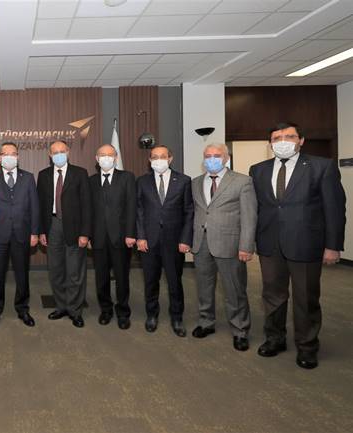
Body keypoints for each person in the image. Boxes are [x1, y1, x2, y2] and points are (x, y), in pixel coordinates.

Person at [249, 122, 346, 369]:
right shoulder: (258, 170)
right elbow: (256, 208)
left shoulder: (321, 166)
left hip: (306, 243)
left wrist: (333, 245)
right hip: (270, 244)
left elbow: (334, 208)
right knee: (272, 295)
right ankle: (275, 339)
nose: (283, 141)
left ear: (301, 140)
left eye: (289, 136)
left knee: (306, 298)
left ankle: (307, 346)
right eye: (277, 138)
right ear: (270, 143)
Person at [190, 143, 257, 351]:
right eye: (207, 155)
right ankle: (206, 322)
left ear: (226, 158)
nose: (211, 159)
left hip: (230, 244)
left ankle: (240, 330)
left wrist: (246, 246)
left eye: (216, 155)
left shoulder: (242, 181)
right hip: (201, 243)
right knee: (204, 287)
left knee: (234, 289)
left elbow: (249, 217)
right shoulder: (195, 182)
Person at [0, 142, 40, 329]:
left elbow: (35, 207)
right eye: (5, 154)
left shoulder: (28, 178)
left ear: (18, 156)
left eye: (13, 154)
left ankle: (22, 309)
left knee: (22, 274)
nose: (9, 157)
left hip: (22, 234)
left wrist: (34, 232)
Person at [136, 145, 193, 337]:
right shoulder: (142, 181)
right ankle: (152, 315)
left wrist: (185, 239)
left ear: (170, 158)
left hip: (174, 241)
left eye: (162, 156)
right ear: (149, 160)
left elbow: (189, 212)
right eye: (154, 157)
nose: (158, 160)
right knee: (150, 281)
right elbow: (139, 211)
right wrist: (141, 236)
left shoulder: (184, 181)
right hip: (149, 241)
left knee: (175, 282)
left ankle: (177, 317)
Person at [37, 140, 92, 328]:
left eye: (62, 151)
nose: (59, 154)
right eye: (55, 152)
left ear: (68, 152)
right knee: (56, 270)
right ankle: (61, 306)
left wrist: (85, 233)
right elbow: (40, 206)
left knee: (75, 272)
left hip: (75, 229)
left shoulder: (80, 173)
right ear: (50, 155)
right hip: (52, 226)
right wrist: (41, 231)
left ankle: (75, 310)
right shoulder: (43, 175)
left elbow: (87, 205)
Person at [88, 144, 136, 330]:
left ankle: (123, 312)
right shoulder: (91, 181)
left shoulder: (127, 177)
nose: (106, 158)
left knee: (122, 277)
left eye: (110, 155)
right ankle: (106, 310)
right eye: (102, 155)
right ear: (96, 158)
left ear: (116, 158)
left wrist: (131, 234)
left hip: (121, 237)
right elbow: (88, 211)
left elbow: (131, 207)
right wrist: (88, 236)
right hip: (98, 237)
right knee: (101, 277)